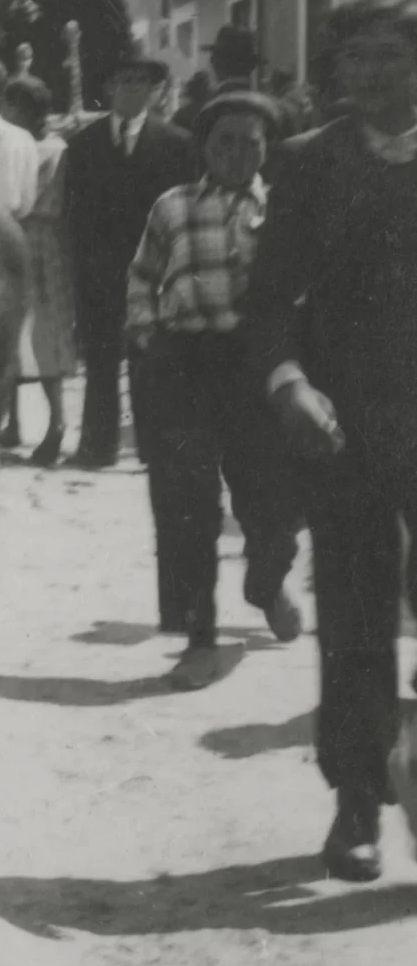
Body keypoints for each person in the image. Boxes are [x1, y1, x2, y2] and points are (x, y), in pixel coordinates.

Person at [240, 0, 417, 882]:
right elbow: (267, 301)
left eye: (388, 53)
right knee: (353, 620)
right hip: (342, 429)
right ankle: (358, 803)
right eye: (355, 58)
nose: (371, 72)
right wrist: (290, 385)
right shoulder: (309, 163)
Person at [123, 90, 302, 692]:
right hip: (184, 365)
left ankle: (267, 580)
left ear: (265, 149)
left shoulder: (282, 209)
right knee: (186, 505)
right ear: (204, 147)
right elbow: (143, 276)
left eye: (249, 142)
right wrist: (146, 334)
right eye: (223, 141)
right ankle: (200, 637)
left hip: (257, 365)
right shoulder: (172, 206)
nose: (235, 153)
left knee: (271, 498)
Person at [62, 56, 193, 468]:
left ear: (154, 91)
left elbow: (182, 213)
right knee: (100, 359)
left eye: (141, 82)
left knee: (150, 359)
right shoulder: (84, 144)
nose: (132, 89)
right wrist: (79, 268)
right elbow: (74, 213)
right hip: (100, 271)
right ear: (111, 88)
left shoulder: (176, 143)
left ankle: (153, 448)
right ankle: (98, 446)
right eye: (124, 81)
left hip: (154, 271)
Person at [3, 77, 76, 466]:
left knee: (38, 331)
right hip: (34, 238)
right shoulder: (44, 145)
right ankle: (16, 420)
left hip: (33, 237)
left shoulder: (43, 148)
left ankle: (54, 423)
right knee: (22, 330)